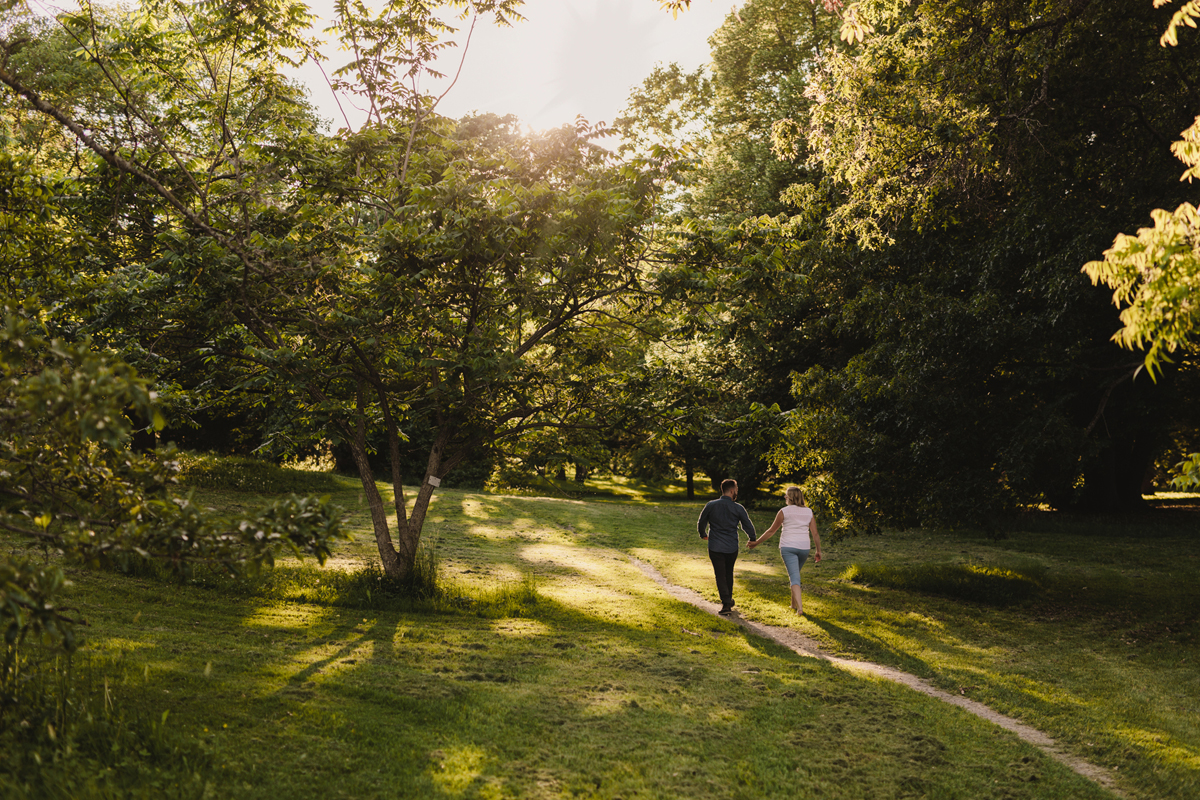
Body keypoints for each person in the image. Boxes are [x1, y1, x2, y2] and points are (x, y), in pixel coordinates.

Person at [749, 485, 822, 615]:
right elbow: (815, 534)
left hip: (788, 547)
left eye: (786, 495)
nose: (784, 497)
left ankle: (800, 608)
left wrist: (756, 542)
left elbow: (771, 531)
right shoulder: (809, 512)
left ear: (790, 497)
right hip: (804, 548)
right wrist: (818, 550)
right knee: (796, 575)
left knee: (794, 577)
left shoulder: (784, 511)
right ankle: (793, 605)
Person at [697, 479, 756, 615]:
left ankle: (726, 602)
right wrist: (752, 538)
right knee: (728, 573)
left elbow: (702, 522)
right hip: (731, 547)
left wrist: (703, 534)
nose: (737, 492)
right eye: (736, 489)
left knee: (720, 575)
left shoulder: (711, 505)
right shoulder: (738, 508)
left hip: (715, 546)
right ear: (731, 491)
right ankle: (727, 602)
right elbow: (747, 524)